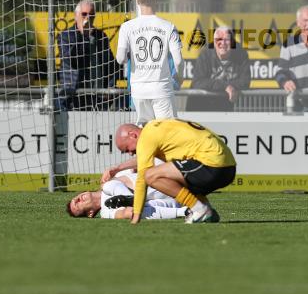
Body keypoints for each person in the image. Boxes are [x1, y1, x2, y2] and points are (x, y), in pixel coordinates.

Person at [106, 118, 237, 224]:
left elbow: (142, 178)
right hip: (228, 168)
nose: (130, 153)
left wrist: (136, 216)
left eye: (126, 149)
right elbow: (143, 160)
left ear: (132, 135)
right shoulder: (157, 127)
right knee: (172, 175)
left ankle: (198, 208)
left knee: (150, 175)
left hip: (212, 164)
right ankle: (207, 211)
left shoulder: (146, 137)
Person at [116, 0, 183, 124]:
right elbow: (178, 60)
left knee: (144, 130)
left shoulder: (127, 27)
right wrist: (179, 77)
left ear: (137, 1)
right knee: (168, 131)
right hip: (161, 88)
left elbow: (120, 58)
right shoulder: (169, 27)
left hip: (138, 90)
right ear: (156, 0)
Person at [57, 0, 118, 111]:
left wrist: (110, 87)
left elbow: (111, 65)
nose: (88, 18)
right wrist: (83, 35)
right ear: (76, 16)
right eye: (84, 14)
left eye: (91, 14)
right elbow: (72, 61)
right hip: (73, 96)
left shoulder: (101, 36)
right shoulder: (66, 36)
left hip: (98, 97)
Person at [66, 170, 187, 220]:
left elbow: (138, 163)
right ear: (90, 213)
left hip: (174, 178)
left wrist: (116, 168)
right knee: (135, 212)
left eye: (75, 198)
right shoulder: (105, 212)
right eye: (77, 205)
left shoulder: (113, 177)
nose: (77, 199)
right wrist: (127, 211)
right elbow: (126, 213)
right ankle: (184, 212)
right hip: (172, 202)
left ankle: (130, 199)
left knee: (107, 185)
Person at [187, 26, 251, 112]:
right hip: (199, 107)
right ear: (214, 42)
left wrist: (229, 87)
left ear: (232, 42)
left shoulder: (241, 54)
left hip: (225, 107)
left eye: (227, 40)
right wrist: (225, 86)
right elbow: (198, 82)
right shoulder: (205, 54)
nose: (222, 43)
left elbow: (245, 81)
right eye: (218, 40)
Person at [274, 5, 308, 112]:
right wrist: (285, 82)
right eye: (305, 20)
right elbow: (280, 72)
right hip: (298, 103)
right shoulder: (288, 43)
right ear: (298, 23)